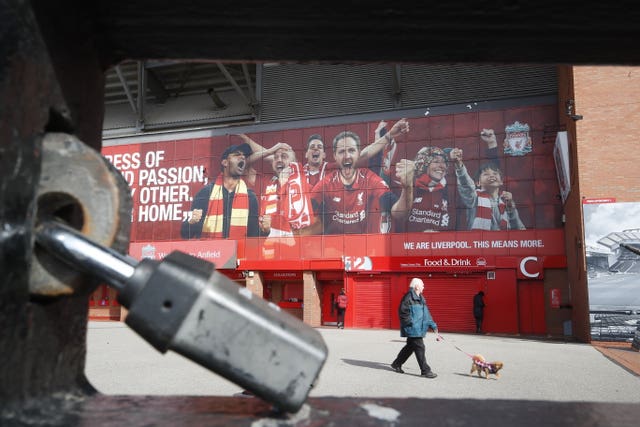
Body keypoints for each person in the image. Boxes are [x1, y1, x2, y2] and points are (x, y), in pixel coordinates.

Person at [308, 124, 413, 235]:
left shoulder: (370, 179)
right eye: (341, 151)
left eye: (352, 150)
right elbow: (305, 212)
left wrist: (407, 187)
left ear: (358, 154)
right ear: (334, 156)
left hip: (365, 247)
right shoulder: (327, 182)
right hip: (335, 248)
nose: (347, 156)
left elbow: (399, 213)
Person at [180, 143, 260, 239]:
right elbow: (185, 234)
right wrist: (191, 223)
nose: (242, 157)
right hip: (211, 253)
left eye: (244, 156)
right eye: (237, 155)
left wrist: (264, 231)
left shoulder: (250, 197)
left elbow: (254, 238)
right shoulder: (205, 193)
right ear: (225, 162)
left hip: (239, 253)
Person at [451, 129, 526, 230]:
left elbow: (520, 232)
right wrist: (459, 165)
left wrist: (511, 210)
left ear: (501, 181)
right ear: (478, 183)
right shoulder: (474, 198)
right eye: (486, 174)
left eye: (495, 173)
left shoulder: (506, 203)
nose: (491, 176)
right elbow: (466, 185)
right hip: (478, 244)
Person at [391, 146, 455, 232]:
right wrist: (407, 187)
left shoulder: (450, 190)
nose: (441, 166)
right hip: (408, 244)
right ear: (424, 164)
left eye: (444, 162)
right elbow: (398, 215)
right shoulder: (407, 183)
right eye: (436, 161)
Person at [391, 278, 439, 378]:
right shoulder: (408, 297)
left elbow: (426, 314)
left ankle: (397, 363)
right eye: (422, 285)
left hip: (418, 328)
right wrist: (411, 323)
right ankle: (425, 371)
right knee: (420, 347)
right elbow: (403, 312)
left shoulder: (421, 298)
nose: (423, 287)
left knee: (409, 347)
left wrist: (433, 325)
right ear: (417, 286)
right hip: (413, 328)